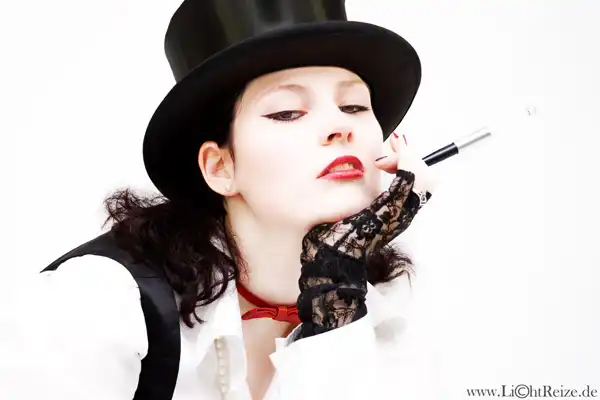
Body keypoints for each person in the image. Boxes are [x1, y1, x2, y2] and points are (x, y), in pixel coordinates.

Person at [1, 1, 437, 399]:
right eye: (287, 112)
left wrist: (334, 290)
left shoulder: (381, 308)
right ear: (220, 167)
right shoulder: (95, 303)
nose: (340, 128)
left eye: (355, 107)